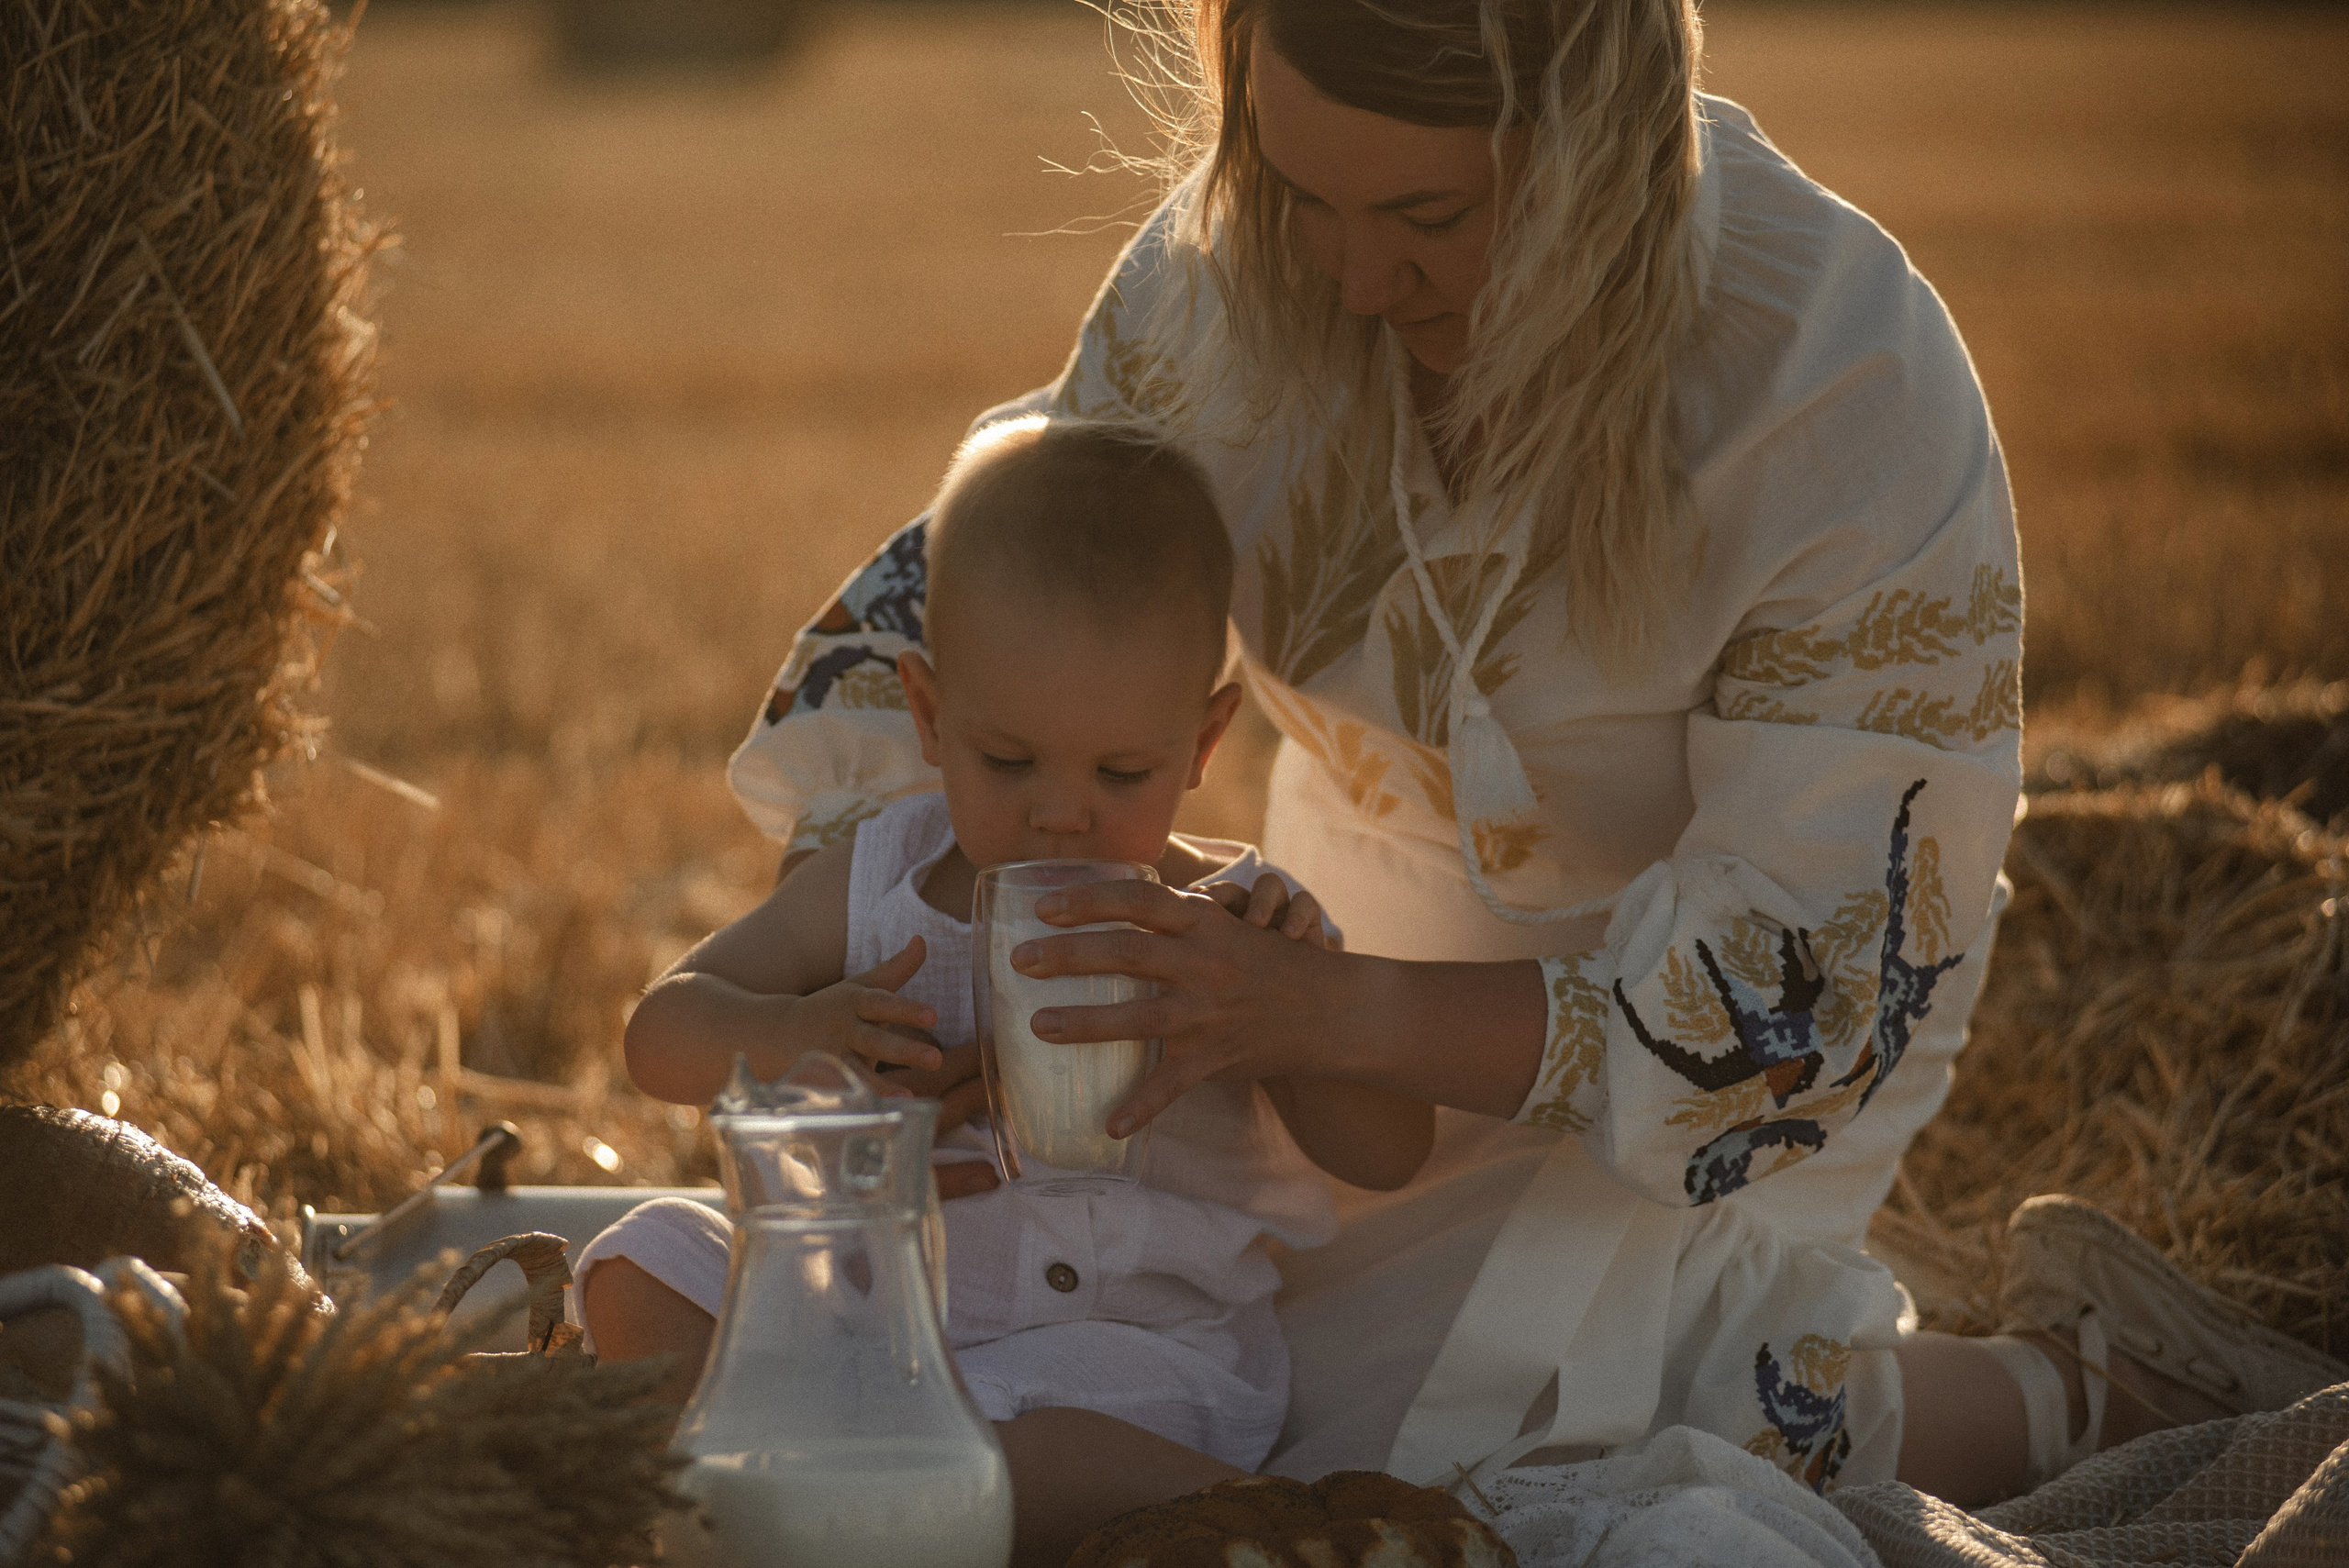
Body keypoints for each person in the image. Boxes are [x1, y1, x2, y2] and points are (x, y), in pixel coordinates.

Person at [706, 0, 2343, 1557]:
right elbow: (1014, 589)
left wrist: (1317, 1012)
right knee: (1118, 1353)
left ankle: (2074, 1387)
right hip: (1309, 978)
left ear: (1593, 153)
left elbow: (1810, 989)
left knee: (1453, 1459)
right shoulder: (1232, 276)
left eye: (1426, 209)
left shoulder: (1837, 381)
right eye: (1294, 188)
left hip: (1696, 1053)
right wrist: (931, 961)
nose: (1346, 276)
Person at [583, 417, 1435, 1545]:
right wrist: (800, 1035)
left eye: (1120, 770)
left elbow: (1388, 1150)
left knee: (1026, 1461)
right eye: (1009, 759)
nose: (1060, 809)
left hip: (1127, 1359)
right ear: (932, 717)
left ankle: (1214, 1519)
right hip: (880, 1324)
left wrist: (1284, 1014)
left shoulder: (1232, 925)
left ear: (1203, 739)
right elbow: (662, 1030)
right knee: (641, 1265)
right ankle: (829, 1503)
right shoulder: (879, 879)